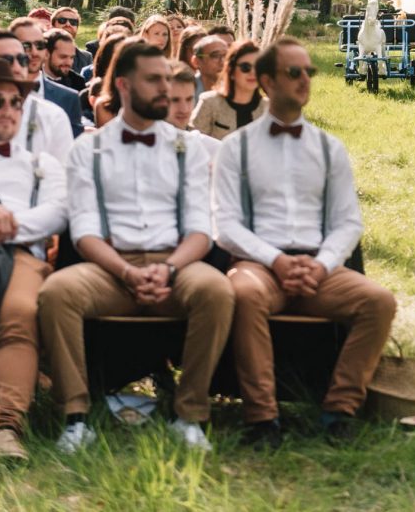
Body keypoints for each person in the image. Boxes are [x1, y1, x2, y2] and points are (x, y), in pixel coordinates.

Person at [38, 40, 234, 454]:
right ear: (124, 85)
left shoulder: (188, 148)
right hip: (110, 267)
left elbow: (201, 230)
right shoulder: (88, 148)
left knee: (217, 290)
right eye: (154, 81)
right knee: (57, 293)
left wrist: (169, 269)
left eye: (167, 79)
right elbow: (85, 231)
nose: (165, 89)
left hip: (175, 265)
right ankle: (76, 415)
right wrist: (126, 272)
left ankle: (189, 413)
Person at [214, 35, 396, 446]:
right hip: (258, 264)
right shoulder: (236, 148)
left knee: (379, 302)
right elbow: (225, 224)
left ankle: (339, 410)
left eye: (309, 72)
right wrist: (276, 261)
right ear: (266, 82)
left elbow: (348, 222)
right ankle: (262, 419)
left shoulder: (330, 148)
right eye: (293, 72)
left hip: (319, 267)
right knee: (242, 294)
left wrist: (321, 264)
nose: (304, 81)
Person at [0, 57, 68, 462]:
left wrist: (8, 224)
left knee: (20, 311)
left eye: (14, 103)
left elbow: (57, 212)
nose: (7, 111)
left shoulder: (41, 164)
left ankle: (6, 425)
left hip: (23, 254)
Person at [0, 31, 74, 165]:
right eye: (7, 60)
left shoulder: (52, 117)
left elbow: (64, 176)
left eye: (22, 60)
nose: (17, 68)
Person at [8, 18, 81, 136]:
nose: (34, 52)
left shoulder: (68, 98)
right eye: (26, 46)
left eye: (39, 45)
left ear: (46, 52)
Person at [192, 40, 266, 140]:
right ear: (231, 70)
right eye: (245, 67)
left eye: (258, 67)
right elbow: (192, 142)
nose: (252, 73)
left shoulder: (269, 108)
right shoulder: (209, 103)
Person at [168, 62, 220, 165]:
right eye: (175, 100)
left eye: (189, 99)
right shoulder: (139, 144)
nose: (184, 109)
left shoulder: (210, 148)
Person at [44, 28, 86, 93]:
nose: (68, 62)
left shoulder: (77, 82)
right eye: (63, 57)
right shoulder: (31, 80)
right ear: (46, 54)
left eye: (72, 57)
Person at [50, 8, 91, 74]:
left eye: (73, 22)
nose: (68, 24)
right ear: (52, 25)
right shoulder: (42, 53)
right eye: (62, 20)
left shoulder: (86, 57)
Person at [190, 34, 227, 105]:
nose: (222, 62)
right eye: (215, 56)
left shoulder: (237, 90)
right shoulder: (186, 91)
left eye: (226, 55)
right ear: (196, 61)